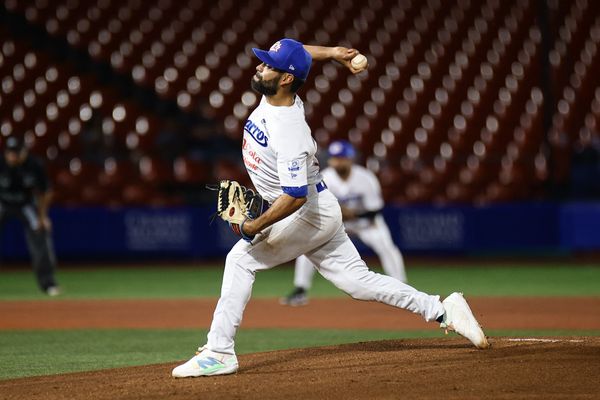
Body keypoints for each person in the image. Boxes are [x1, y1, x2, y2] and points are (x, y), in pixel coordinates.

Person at [172, 38, 489, 378]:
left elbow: (295, 195)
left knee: (240, 259)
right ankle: (443, 309)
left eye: (267, 65)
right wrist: (334, 53)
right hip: (321, 208)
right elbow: (300, 54)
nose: (258, 67)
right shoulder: (281, 96)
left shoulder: (289, 130)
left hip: (307, 212)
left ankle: (220, 352)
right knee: (359, 283)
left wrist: (254, 226)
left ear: (286, 80)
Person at [281, 140, 407, 306]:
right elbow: (315, 208)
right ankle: (300, 289)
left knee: (387, 247)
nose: (338, 161)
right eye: (335, 158)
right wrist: (340, 212)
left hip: (366, 223)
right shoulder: (324, 178)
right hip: (338, 223)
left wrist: (353, 214)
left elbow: (375, 211)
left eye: (342, 158)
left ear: (350, 159)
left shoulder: (365, 178)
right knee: (308, 245)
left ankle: (402, 288)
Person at [0, 136, 60, 296]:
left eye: (16, 153)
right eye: (10, 152)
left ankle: (48, 283)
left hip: (26, 204)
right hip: (2, 203)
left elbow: (46, 192)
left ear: (24, 152)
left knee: (40, 231)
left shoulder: (34, 165)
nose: (13, 156)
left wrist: (43, 216)